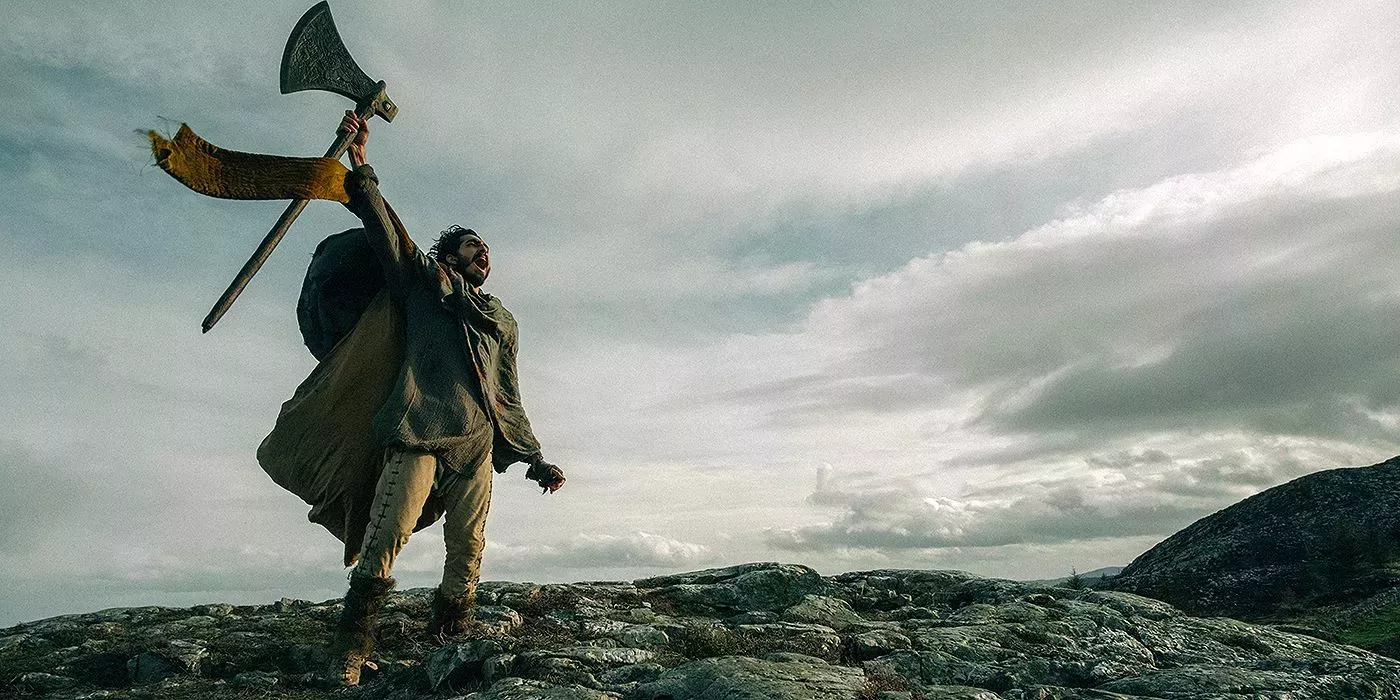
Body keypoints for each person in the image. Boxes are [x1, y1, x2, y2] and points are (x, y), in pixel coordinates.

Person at [326, 110, 566, 686]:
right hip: (419, 428)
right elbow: (387, 232)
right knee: (386, 535)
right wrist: (362, 164)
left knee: (468, 547)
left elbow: (505, 390)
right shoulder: (421, 284)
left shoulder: (500, 318)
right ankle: (350, 650)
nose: (484, 253)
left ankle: (449, 638)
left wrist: (534, 457)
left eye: (487, 249)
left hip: (476, 443)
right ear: (450, 255)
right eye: (472, 246)